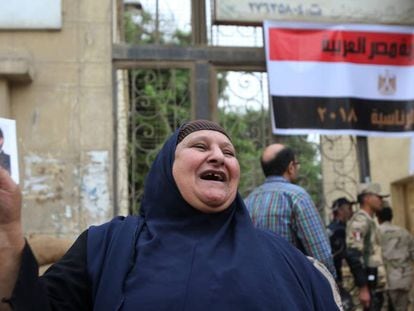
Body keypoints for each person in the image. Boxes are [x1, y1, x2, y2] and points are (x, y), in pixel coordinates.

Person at [0, 120, 342, 310]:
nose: (218, 157)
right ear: (167, 168)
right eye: (199, 147)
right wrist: (8, 232)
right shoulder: (106, 246)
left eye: (228, 152)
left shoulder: (288, 261)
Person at [244, 143, 336, 277]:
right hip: (293, 286)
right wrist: (331, 284)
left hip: (257, 286)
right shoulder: (297, 197)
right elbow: (321, 256)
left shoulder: (248, 201)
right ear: (291, 167)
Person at [346, 183, 388, 310]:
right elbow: (353, 253)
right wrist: (363, 288)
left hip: (374, 284)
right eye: (378, 197)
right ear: (367, 198)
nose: (382, 200)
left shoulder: (370, 220)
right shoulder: (361, 220)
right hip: (366, 287)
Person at [377, 202, 414, 311]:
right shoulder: (404, 232)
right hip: (405, 277)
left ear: (378, 218)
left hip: (387, 280)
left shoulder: (377, 232)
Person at [327, 197, 356, 311]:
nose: (351, 211)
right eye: (349, 208)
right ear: (340, 210)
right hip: (343, 278)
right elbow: (346, 255)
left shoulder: (330, 228)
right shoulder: (341, 230)